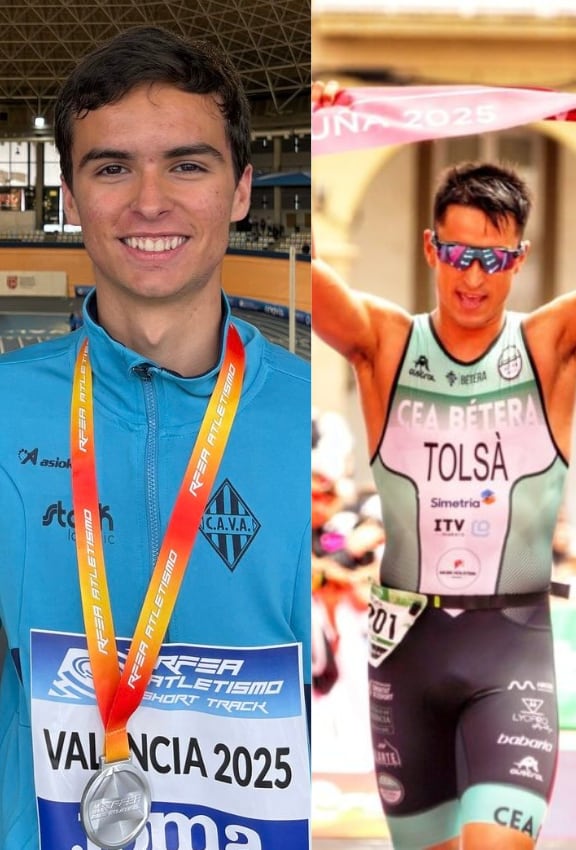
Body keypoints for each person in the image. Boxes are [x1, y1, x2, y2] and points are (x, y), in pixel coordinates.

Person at [0, 26, 311, 849]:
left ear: (241, 190)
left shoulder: (327, 412)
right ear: (69, 200)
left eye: (187, 163)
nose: (149, 201)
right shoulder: (5, 412)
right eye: (112, 168)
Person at [311, 81, 576, 850]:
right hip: (404, 657)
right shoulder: (384, 344)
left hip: (509, 652)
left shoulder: (551, 345)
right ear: (430, 248)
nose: (472, 278)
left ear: (519, 259)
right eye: (456, 254)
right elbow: (292, 270)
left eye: (492, 258)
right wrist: (306, 126)